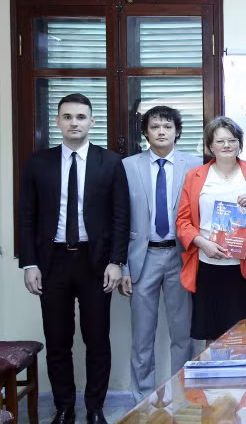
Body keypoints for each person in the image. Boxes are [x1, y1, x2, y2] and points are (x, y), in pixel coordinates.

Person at [18, 93, 130, 424]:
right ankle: (64, 406)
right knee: (57, 339)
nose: (74, 123)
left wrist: (117, 260)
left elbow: (121, 215)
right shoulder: (39, 162)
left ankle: (95, 407)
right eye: (67, 117)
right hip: (51, 262)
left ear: (92, 121)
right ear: (57, 122)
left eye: (80, 117)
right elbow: (26, 215)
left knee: (97, 339)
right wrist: (30, 262)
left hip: (96, 263)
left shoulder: (110, 162)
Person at [119, 106, 202, 403]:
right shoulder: (128, 166)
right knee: (143, 336)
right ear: (146, 132)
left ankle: (182, 395)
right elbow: (120, 218)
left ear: (177, 131)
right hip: (142, 258)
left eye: (167, 126)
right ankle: (142, 398)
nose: (162, 131)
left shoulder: (195, 165)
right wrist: (123, 267)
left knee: (183, 334)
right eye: (155, 126)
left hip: (180, 256)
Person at [176, 117, 246, 343]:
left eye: (232, 140)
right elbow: (183, 221)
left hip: (245, 267)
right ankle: (215, 378)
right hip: (207, 265)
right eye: (220, 141)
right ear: (210, 146)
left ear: (239, 144)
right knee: (212, 335)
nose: (226, 145)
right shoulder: (195, 177)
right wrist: (202, 243)